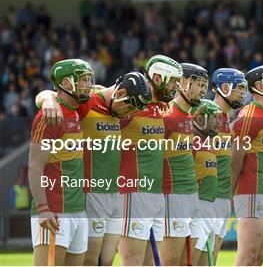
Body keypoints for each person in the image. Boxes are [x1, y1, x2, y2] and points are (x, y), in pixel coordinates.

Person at [35, 72, 153, 265]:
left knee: (106, 262)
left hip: (115, 194)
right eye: (130, 107)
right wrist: (48, 100)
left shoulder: (117, 109)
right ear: (120, 93)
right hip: (91, 194)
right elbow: (47, 94)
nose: (129, 113)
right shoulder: (88, 101)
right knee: (89, 260)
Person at [118, 55, 183, 266]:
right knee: (133, 262)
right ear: (157, 77)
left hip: (155, 194)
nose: (176, 87)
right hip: (132, 192)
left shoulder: (161, 109)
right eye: (173, 81)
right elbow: (98, 95)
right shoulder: (130, 104)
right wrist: (48, 98)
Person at [28, 59, 94, 265]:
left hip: (78, 211)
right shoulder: (49, 116)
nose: (88, 85)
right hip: (54, 211)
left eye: (89, 79)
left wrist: (47, 97)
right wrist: (42, 208)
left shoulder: (75, 111)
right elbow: (34, 166)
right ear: (66, 83)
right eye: (83, 80)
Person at [231, 65, 263, 265]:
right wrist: (229, 192)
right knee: (248, 255)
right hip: (251, 190)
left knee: (259, 257)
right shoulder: (250, 115)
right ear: (259, 86)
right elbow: (236, 157)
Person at [159, 63, 208, 266]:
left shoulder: (189, 116)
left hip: (191, 196)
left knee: (189, 263)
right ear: (183, 83)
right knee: (170, 262)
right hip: (173, 196)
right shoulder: (167, 115)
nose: (204, 89)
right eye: (199, 84)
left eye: (205, 84)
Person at [210, 68, 248, 263]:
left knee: (212, 257)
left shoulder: (226, 120)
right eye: (239, 88)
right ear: (224, 87)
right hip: (205, 199)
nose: (243, 93)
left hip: (222, 198)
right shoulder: (207, 116)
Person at [189, 99, 222, 266]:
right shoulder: (191, 143)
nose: (218, 122)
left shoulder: (207, 144)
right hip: (197, 207)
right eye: (213, 117)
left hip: (209, 208)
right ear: (199, 118)